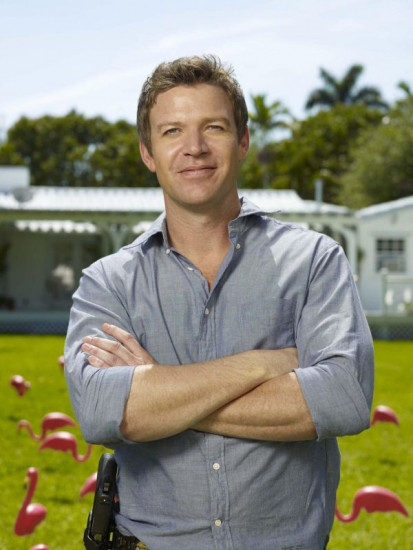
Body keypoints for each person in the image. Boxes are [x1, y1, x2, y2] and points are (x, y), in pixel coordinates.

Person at [64, 55, 374, 550]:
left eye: (214, 127)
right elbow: (102, 413)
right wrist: (263, 364)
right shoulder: (108, 282)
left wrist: (157, 389)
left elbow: (344, 398)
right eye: (172, 131)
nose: (195, 147)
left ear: (243, 140)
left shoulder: (314, 260)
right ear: (147, 152)